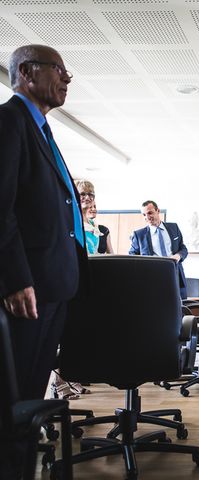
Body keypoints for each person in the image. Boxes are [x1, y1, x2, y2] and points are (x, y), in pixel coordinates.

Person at [0, 44, 86, 478]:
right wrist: (15, 279)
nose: (66, 79)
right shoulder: (8, 121)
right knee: (18, 402)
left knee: (34, 392)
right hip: (28, 289)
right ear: (28, 72)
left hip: (53, 286)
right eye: (60, 70)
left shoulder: (43, 130)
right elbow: (2, 207)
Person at [129, 200, 188, 299]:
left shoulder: (174, 227)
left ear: (158, 211)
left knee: (178, 309)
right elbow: (132, 256)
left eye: (150, 213)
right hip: (151, 278)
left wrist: (178, 256)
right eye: (144, 215)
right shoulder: (139, 235)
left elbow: (183, 248)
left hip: (175, 275)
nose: (147, 217)